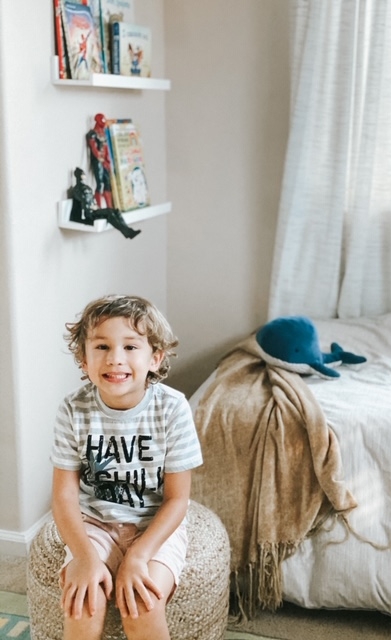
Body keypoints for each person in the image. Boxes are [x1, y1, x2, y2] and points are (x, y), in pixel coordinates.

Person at [50, 295, 203, 640]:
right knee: (83, 605)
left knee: (142, 606)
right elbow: (64, 496)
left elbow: (177, 499)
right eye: (101, 346)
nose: (115, 358)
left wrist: (138, 555)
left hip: (153, 525)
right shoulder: (72, 409)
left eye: (131, 347)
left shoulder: (173, 408)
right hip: (95, 523)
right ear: (83, 358)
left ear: (155, 358)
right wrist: (85, 557)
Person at [86, 113, 113, 209]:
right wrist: (99, 157)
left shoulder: (103, 133)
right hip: (97, 161)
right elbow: (94, 148)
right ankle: (99, 207)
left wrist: (107, 160)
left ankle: (109, 207)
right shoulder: (92, 134)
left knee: (107, 183)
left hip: (104, 161)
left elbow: (105, 147)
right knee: (100, 184)